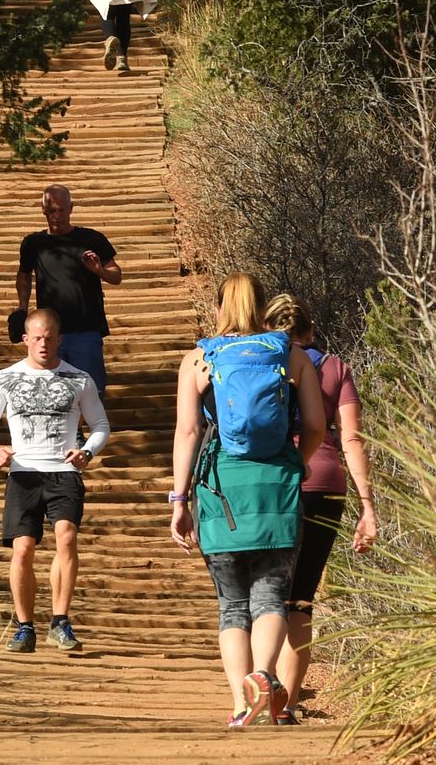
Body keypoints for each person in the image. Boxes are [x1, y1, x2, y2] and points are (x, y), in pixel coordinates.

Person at [170, 273, 327, 727]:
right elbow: (316, 424)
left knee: (232, 603)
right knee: (272, 596)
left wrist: (180, 499)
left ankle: (242, 706)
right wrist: (294, 461)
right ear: (262, 308)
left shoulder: (199, 359)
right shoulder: (290, 355)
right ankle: (264, 674)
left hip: (220, 490)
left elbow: (188, 432)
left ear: (219, 308)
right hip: (276, 484)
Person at [264, 293, 377, 724]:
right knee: (302, 600)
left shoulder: (263, 364)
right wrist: (367, 506)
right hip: (327, 482)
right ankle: (288, 705)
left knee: (267, 594)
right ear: (311, 330)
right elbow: (352, 439)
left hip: (274, 483)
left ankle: (263, 684)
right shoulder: (336, 368)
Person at [0, 308, 112, 652]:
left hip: (64, 471)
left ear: (59, 339)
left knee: (66, 538)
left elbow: (100, 425)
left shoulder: (79, 379)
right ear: (25, 340)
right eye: (36, 337)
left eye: (49, 337)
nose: (43, 344)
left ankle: (60, 621)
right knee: (22, 548)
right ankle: (24, 626)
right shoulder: (5, 378)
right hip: (23, 473)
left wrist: (88, 452)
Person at [16, 184, 121, 393]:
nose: (56, 215)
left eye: (61, 209)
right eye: (52, 210)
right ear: (43, 209)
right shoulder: (33, 243)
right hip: (50, 333)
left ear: (71, 208)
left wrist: (99, 270)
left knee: (91, 390)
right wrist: (22, 308)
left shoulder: (91, 239)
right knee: (55, 390)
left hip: (86, 329)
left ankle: (94, 426)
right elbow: (24, 275)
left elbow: (116, 275)